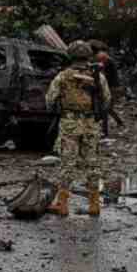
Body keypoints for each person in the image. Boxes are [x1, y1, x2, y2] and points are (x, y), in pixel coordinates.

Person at [45, 42, 111, 217]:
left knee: (68, 163)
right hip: (91, 124)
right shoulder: (98, 77)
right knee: (93, 163)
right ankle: (94, 204)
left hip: (70, 123)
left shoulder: (62, 76)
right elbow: (106, 100)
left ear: (70, 56)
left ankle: (62, 204)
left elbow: (50, 100)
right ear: (88, 56)